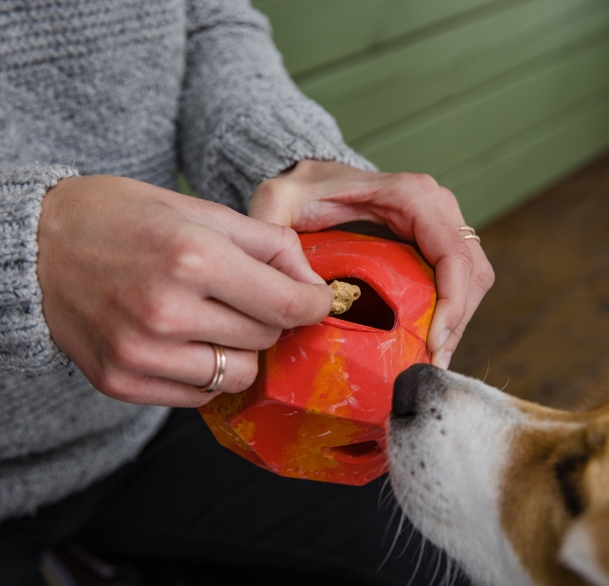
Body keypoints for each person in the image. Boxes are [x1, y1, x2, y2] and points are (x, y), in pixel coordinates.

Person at [0, 1, 494, 585]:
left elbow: (208, 23)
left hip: (160, 415)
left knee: (467, 564)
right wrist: (30, 246)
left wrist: (292, 160)